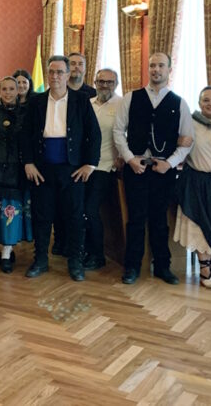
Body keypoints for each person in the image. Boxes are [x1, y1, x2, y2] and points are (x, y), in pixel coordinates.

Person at [113, 52, 193, 285]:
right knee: (136, 219)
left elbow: (188, 138)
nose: (156, 69)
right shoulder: (131, 98)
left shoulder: (179, 102)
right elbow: (118, 131)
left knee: (159, 220)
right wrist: (129, 158)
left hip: (163, 172)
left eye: (161, 65)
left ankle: (162, 267)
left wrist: (169, 163)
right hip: (135, 168)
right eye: (152, 66)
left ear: (169, 69)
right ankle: (132, 267)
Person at [21, 56, 101, 282]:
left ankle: (75, 262)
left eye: (59, 72)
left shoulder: (82, 101)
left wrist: (90, 164)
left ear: (67, 75)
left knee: (75, 217)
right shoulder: (36, 102)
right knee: (42, 216)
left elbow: (93, 135)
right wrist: (28, 162)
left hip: (72, 170)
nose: (55, 76)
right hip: (42, 169)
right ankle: (40, 261)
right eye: (51, 72)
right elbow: (25, 135)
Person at [173, 86, 211, 288]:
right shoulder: (190, 122)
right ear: (199, 104)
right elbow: (178, 142)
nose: (210, 104)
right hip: (198, 181)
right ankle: (204, 269)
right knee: (201, 225)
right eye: (206, 100)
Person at [0, 77, 32, 273]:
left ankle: (6, 254)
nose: (9, 92)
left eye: (12, 88)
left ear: (18, 90)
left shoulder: (26, 114)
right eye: (5, 89)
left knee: (11, 210)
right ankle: (5, 250)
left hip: (18, 169)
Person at [83, 68, 123, 271]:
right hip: (83, 166)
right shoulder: (87, 104)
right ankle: (86, 251)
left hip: (106, 167)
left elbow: (129, 134)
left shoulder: (122, 104)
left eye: (109, 82)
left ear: (116, 84)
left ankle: (98, 255)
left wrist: (123, 156)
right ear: (95, 82)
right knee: (82, 211)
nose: (105, 85)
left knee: (91, 211)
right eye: (101, 81)